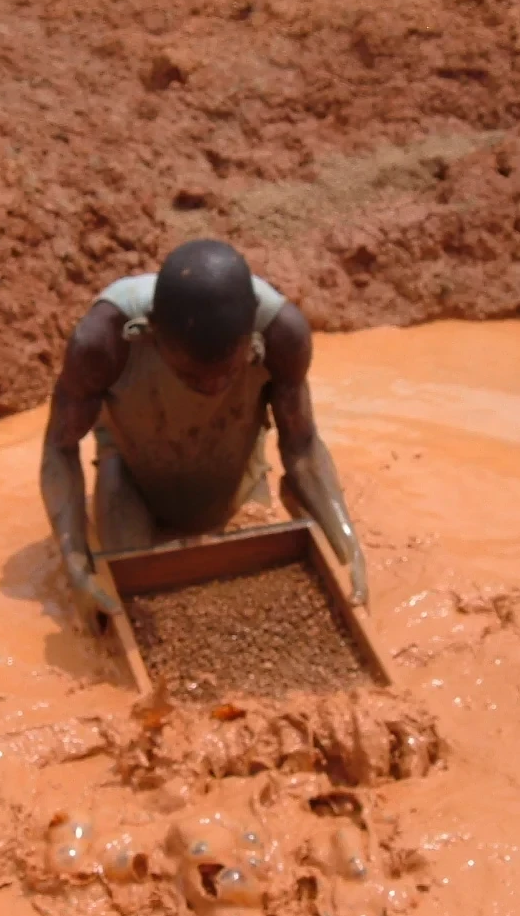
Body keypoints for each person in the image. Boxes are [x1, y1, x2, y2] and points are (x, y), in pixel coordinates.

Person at [39, 238, 368, 626]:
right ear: (150, 333)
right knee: (122, 607)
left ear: (252, 335)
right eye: (191, 377)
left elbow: (302, 445)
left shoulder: (283, 334)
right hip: (132, 474)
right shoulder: (103, 341)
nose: (213, 388)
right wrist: (77, 566)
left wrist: (348, 548)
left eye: (229, 374)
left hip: (232, 470)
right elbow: (60, 448)